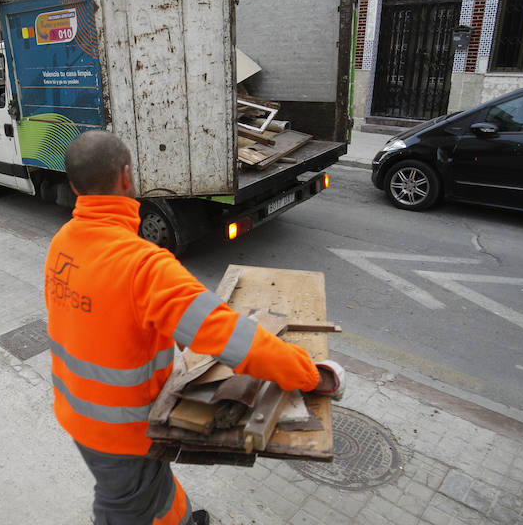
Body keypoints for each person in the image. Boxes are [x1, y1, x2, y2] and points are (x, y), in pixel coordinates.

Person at [44, 130, 345, 525]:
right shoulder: (143, 266)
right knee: (122, 507)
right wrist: (308, 373)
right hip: (121, 433)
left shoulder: (63, 242)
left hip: (74, 411)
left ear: (73, 185)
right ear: (127, 176)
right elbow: (228, 336)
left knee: (155, 486)